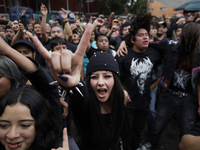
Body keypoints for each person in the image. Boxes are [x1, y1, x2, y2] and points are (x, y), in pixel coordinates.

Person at [33, 22, 131, 150]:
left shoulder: (121, 100)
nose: (101, 82)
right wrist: (69, 84)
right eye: (94, 77)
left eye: (107, 76)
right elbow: (79, 95)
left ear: (116, 80)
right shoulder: (85, 102)